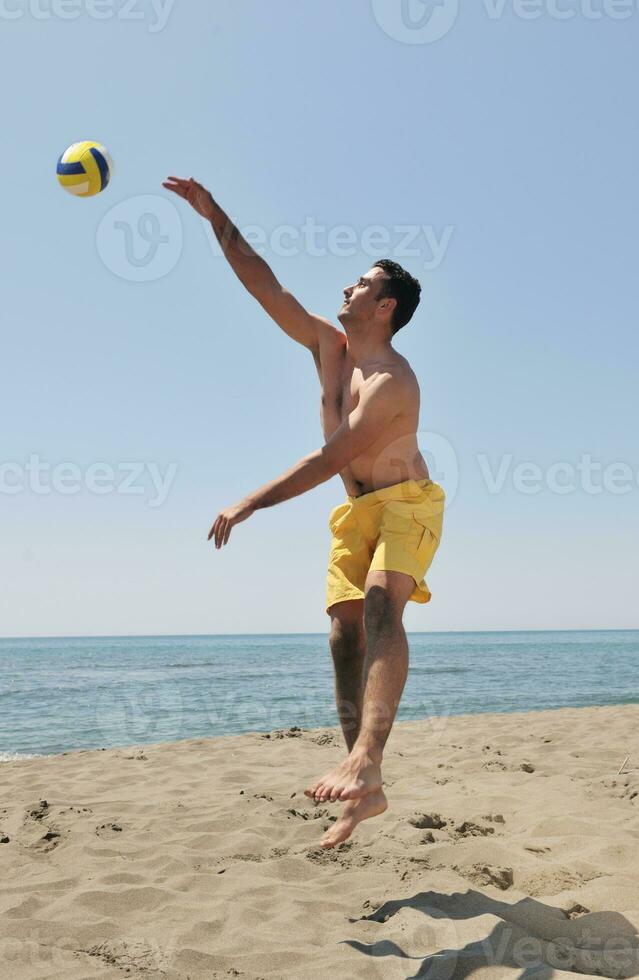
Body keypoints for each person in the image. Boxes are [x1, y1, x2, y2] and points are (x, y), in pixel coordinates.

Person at [163, 177, 446, 848]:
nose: (345, 289)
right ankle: (364, 785)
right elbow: (266, 286)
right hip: (356, 513)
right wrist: (213, 214)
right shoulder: (330, 350)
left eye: (360, 284)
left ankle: (366, 762)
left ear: (387, 305)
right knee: (344, 638)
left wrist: (250, 501)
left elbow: (330, 457)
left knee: (381, 608)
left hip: (408, 504)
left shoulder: (391, 381)